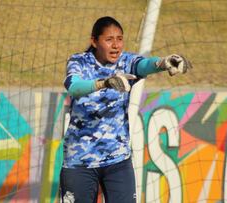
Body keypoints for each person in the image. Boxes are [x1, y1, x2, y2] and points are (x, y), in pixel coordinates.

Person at [61, 16, 192, 203]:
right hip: (79, 161)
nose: (116, 45)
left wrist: (163, 63)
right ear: (94, 41)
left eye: (120, 39)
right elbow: (74, 87)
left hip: (118, 161)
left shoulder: (126, 61)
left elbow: (144, 65)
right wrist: (104, 83)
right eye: (109, 40)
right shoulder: (79, 62)